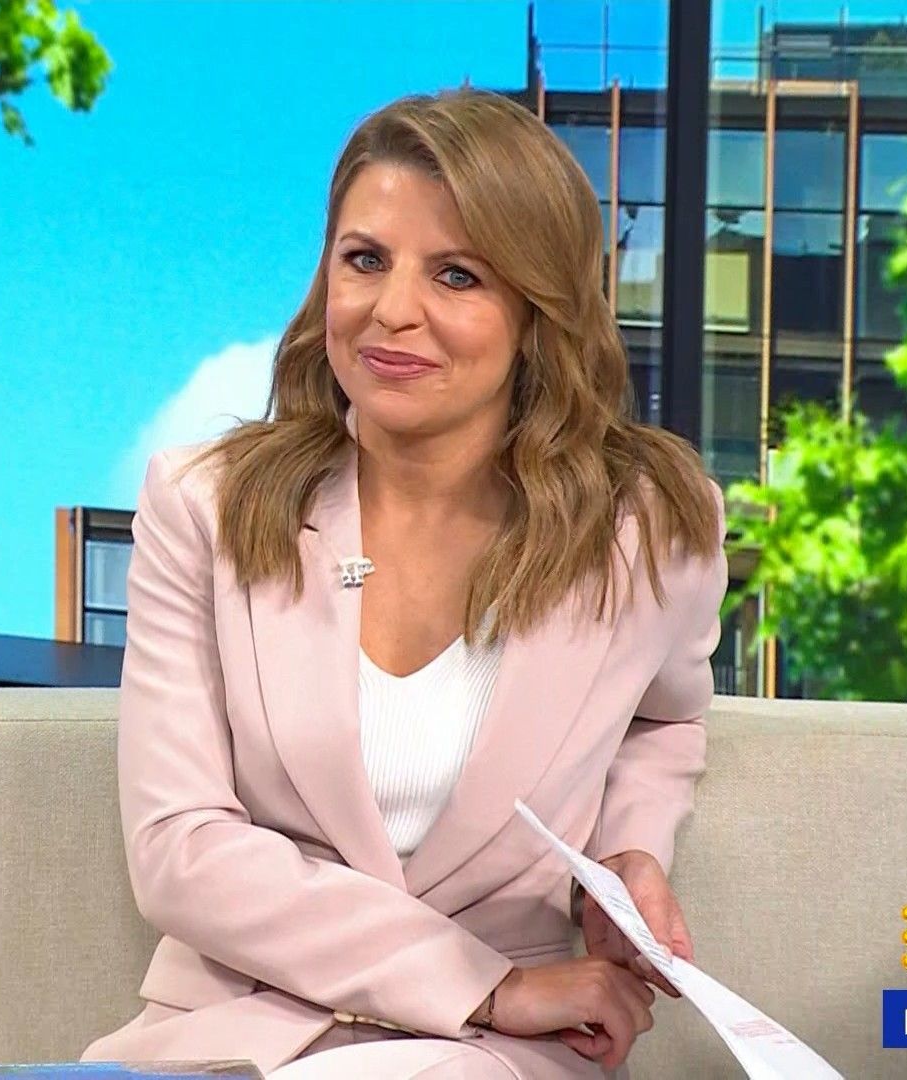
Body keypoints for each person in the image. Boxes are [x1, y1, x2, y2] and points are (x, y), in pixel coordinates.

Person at [80, 89, 728, 1080]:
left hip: (505, 1055)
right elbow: (180, 847)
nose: (392, 310)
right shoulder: (204, 504)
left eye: (456, 275)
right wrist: (479, 982)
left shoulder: (648, 530)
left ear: (538, 311)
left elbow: (663, 719)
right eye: (365, 260)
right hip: (239, 1034)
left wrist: (626, 862)